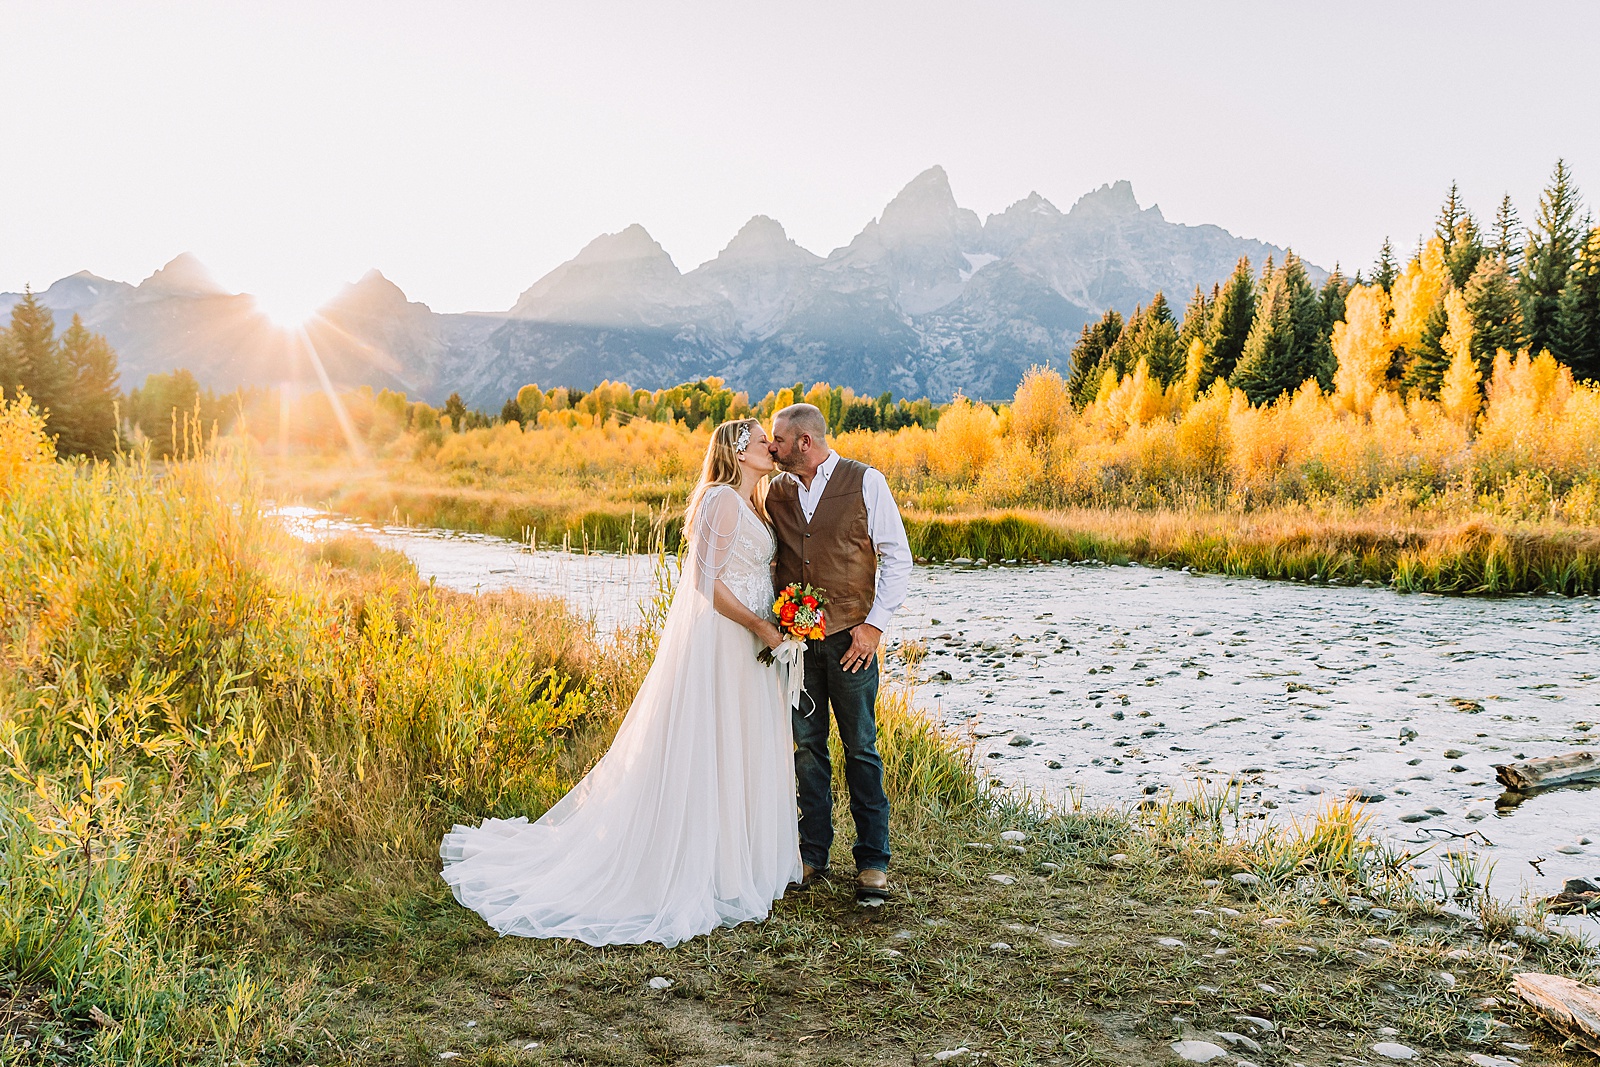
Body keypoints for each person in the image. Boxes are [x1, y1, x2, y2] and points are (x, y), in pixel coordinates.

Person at [438, 419, 801, 946]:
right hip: (725, 640)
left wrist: (787, 620)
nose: (772, 446)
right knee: (711, 744)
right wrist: (760, 625)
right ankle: (700, 865)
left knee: (739, 744)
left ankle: (738, 861)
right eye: (761, 440)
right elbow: (705, 584)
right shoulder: (720, 501)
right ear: (737, 451)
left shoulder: (755, 503)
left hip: (754, 645)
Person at [766, 403, 912, 906]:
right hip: (799, 647)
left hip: (853, 642)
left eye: (779, 441)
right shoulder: (775, 491)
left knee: (861, 749)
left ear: (805, 442)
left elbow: (898, 557)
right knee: (806, 750)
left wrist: (873, 627)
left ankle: (873, 860)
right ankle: (813, 854)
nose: (773, 447)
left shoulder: (866, 481)